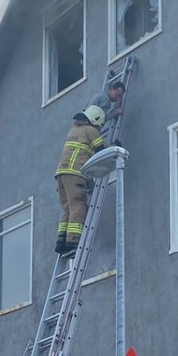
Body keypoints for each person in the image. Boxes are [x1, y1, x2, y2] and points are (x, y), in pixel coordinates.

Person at [54, 105, 109, 256]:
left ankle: (61, 242)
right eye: (99, 124)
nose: (99, 127)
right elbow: (101, 151)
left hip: (61, 174)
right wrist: (114, 148)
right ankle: (73, 241)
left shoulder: (73, 130)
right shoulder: (91, 130)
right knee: (78, 207)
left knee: (68, 207)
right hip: (75, 174)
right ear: (96, 120)